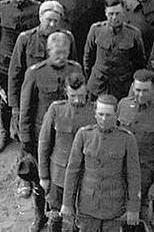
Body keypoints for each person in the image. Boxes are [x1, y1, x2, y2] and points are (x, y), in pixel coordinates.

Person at [19, 32, 84, 232]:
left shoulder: (75, 69)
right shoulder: (35, 72)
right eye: (57, 53)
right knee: (41, 180)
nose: (61, 56)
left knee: (64, 179)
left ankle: (64, 216)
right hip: (41, 136)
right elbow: (26, 107)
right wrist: (26, 140)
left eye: (64, 53)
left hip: (67, 136)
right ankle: (40, 216)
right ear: (48, 52)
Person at [62, 94, 141, 231]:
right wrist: (67, 203)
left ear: (116, 115)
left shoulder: (127, 139)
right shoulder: (84, 135)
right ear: (95, 114)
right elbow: (72, 171)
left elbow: (133, 175)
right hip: (88, 206)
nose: (104, 119)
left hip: (114, 207)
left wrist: (133, 207)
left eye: (108, 115)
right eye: (101, 114)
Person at [0, 0, 39, 153]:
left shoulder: (37, 8)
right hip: (5, 64)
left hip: (29, 64)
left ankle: (25, 134)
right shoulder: (1, 8)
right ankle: (5, 131)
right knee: (5, 100)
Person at [38, 71, 94, 232]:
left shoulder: (95, 112)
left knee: (81, 218)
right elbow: (44, 143)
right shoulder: (56, 110)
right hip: (59, 174)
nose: (77, 100)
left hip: (85, 176)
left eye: (81, 96)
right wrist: (44, 176)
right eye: (72, 96)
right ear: (66, 93)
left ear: (87, 92)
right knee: (56, 216)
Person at [84, 0, 147, 100]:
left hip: (122, 88)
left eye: (117, 13)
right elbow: (88, 57)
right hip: (97, 86)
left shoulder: (134, 34)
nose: (114, 17)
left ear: (124, 12)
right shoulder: (96, 30)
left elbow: (139, 62)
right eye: (110, 14)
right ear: (105, 13)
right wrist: (90, 77)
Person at [117, 69, 154, 228]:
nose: (140, 94)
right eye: (137, 90)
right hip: (122, 175)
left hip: (147, 177)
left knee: (144, 221)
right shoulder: (123, 105)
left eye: (145, 91)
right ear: (132, 86)